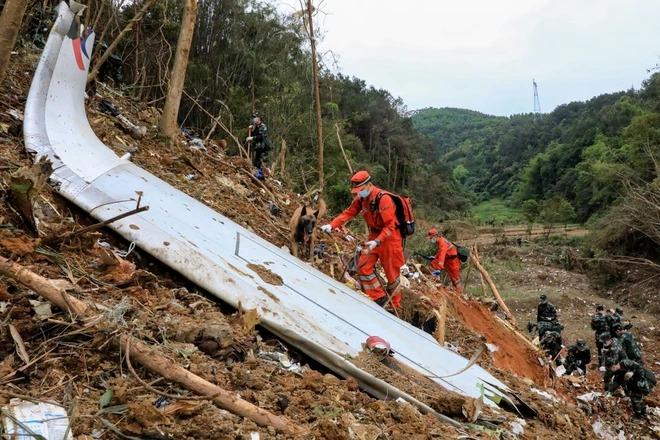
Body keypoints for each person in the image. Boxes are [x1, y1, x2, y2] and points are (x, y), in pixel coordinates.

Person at [320, 171, 405, 309]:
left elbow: (390, 226)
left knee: (392, 275)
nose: (359, 193)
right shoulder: (361, 199)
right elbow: (349, 213)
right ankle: (379, 298)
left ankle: (395, 305)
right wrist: (332, 225)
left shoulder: (384, 199)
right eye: (357, 191)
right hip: (374, 236)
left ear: (369, 185)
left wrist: (377, 241)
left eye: (361, 190)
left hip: (390, 238)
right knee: (363, 266)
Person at [426, 228, 462, 294]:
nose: (431, 240)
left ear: (436, 236)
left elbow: (442, 254)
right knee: (433, 264)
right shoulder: (440, 241)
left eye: (431, 238)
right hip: (448, 260)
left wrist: (440, 265)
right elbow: (440, 252)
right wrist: (435, 257)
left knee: (456, 279)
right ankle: (435, 280)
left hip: (453, 261)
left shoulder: (442, 243)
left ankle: (459, 294)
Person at [246, 112, 271, 180]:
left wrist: (252, 138)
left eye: (255, 117)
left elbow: (261, 137)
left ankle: (265, 176)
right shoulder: (255, 126)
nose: (254, 119)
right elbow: (254, 135)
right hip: (258, 147)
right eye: (254, 118)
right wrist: (251, 130)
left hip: (264, 147)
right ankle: (259, 176)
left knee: (263, 162)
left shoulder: (263, 126)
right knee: (257, 162)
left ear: (259, 119)